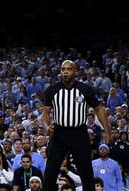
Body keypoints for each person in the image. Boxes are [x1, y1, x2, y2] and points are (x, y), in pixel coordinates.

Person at [42, 60, 112, 191]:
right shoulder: (52, 89)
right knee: (51, 170)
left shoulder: (85, 89)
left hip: (79, 132)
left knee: (86, 171)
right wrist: (46, 126)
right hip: (59, 132)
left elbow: (98, 109)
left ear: (75, 71)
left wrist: (106, 130)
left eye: (69, 69)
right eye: (63, 69)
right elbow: (45, 111)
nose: (65, 72)